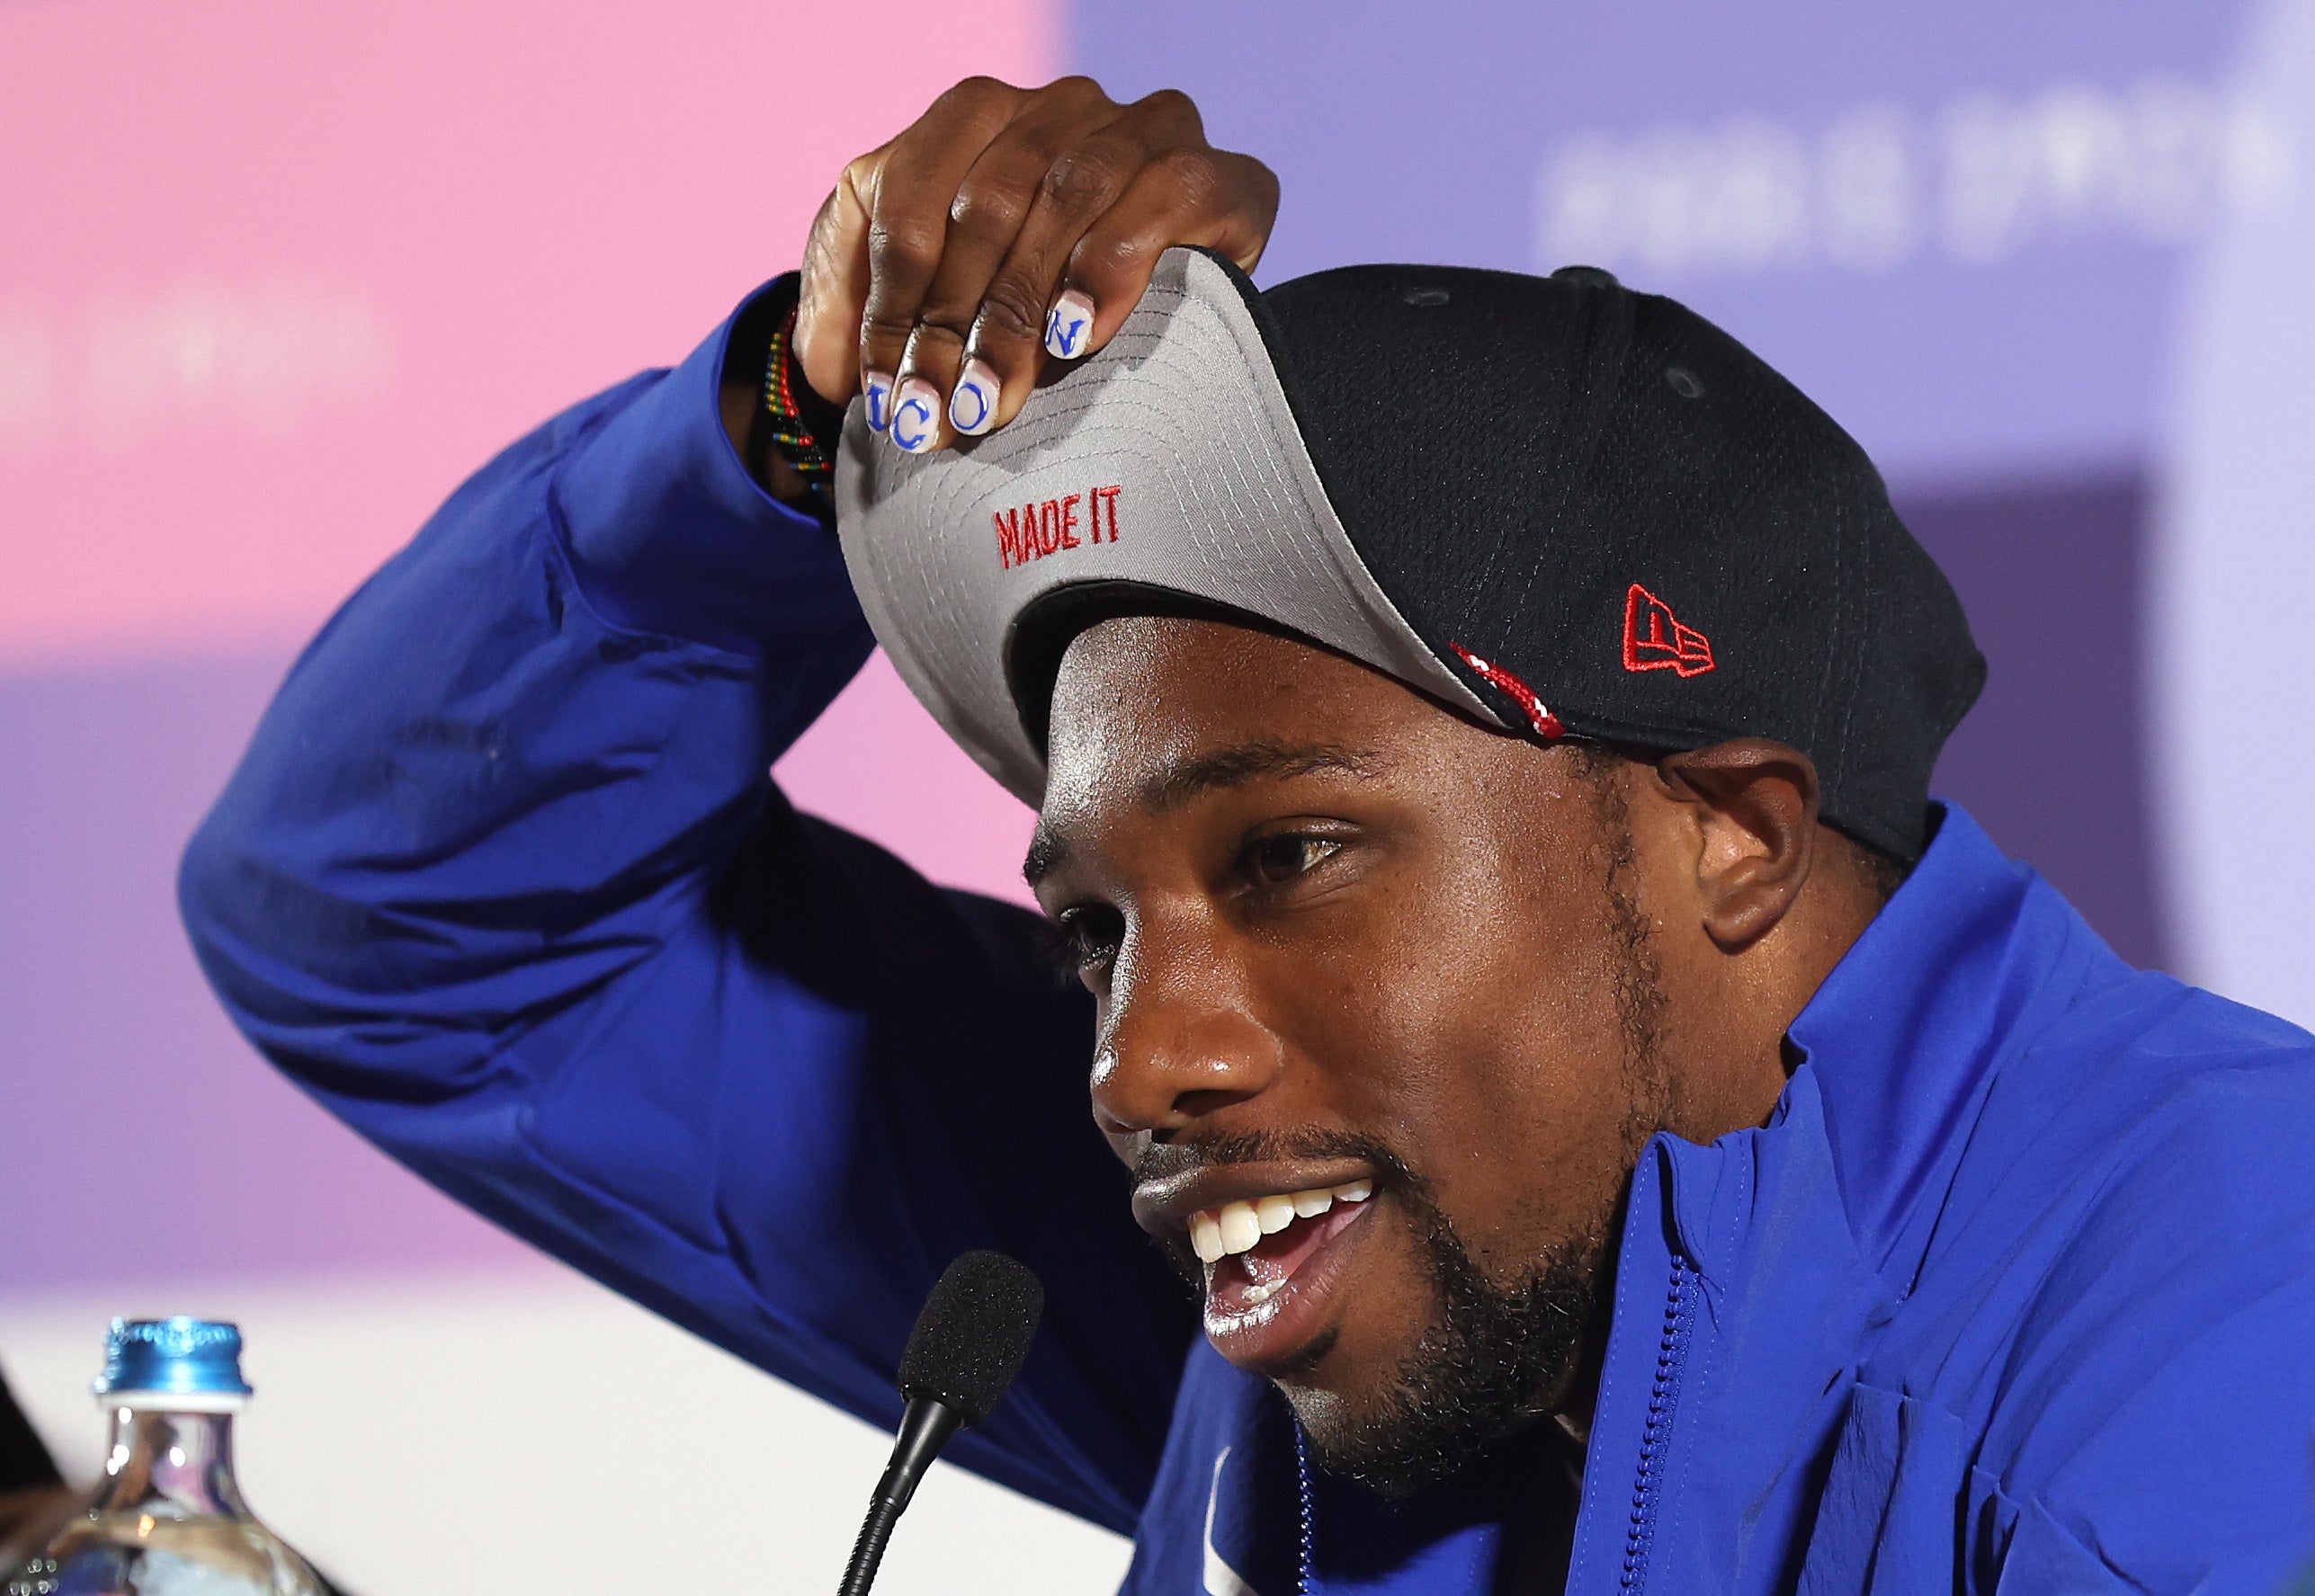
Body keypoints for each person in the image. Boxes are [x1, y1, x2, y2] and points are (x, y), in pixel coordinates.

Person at [179, 76, 2315, 1595]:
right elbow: (404, 923)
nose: (1138, 1060)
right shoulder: (1401, 1252)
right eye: (1096, 925)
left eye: (1287, 857)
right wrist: (803, 412)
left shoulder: (2210, 1389)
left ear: (1730, 839)